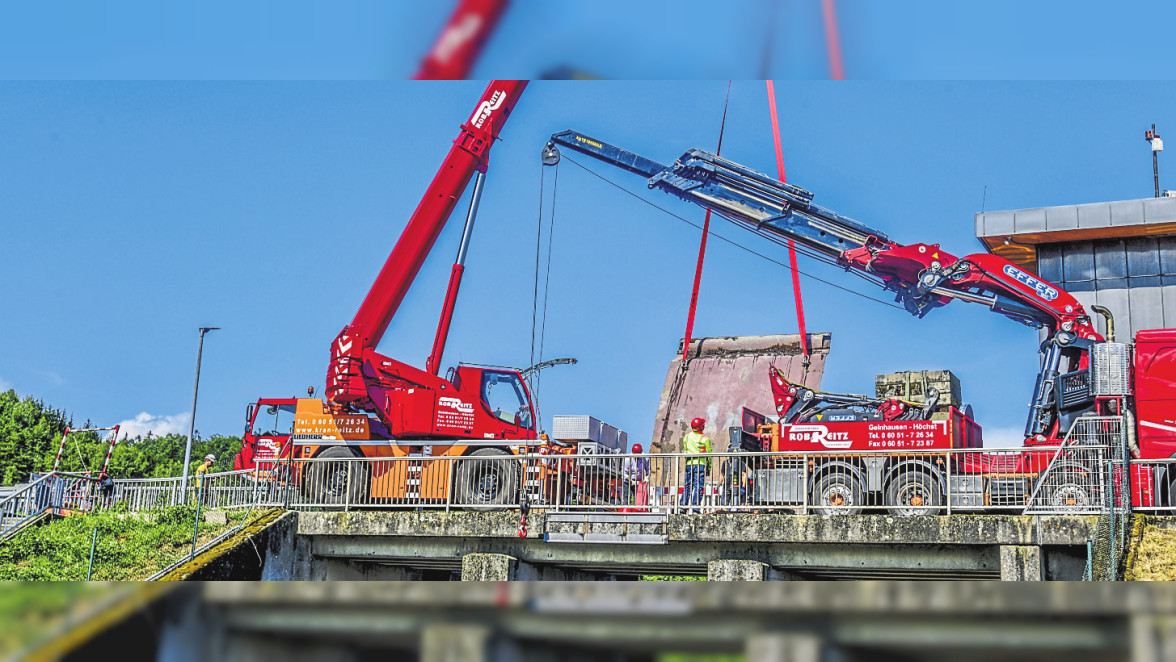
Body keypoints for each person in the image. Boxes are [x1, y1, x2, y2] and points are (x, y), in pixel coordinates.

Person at [679, 418, 712, 512]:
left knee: (688, 485)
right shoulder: (705, 438)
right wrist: (709, 467)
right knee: (698, 486)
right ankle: (695, 508)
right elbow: (709, 455)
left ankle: (683, 506)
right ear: (701, 427)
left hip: (689, 464)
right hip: (700, 464)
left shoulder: (687, 437)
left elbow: (685, 450)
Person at [721, 444, 751, 510]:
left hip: (737, 485)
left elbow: (744, 475)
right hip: (727, 485)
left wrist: (743, 486)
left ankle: (737, 511)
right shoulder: (726, 463)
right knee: (724, 505)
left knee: (737, 504)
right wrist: (719, 484)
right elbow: (722, 474)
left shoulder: (740, 463)